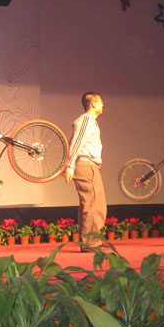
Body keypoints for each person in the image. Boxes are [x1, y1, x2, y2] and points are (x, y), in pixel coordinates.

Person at [64, 92, 107, 252]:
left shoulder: (89, 122)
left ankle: (88, 242)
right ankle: (91, 243)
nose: (103, 104)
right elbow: (76, 143)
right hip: (86, 166)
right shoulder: (86, 121)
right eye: (100, 102)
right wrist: (69, 166)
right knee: (94, 205)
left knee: (91, 204)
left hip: (88, 166)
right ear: (93, 104)